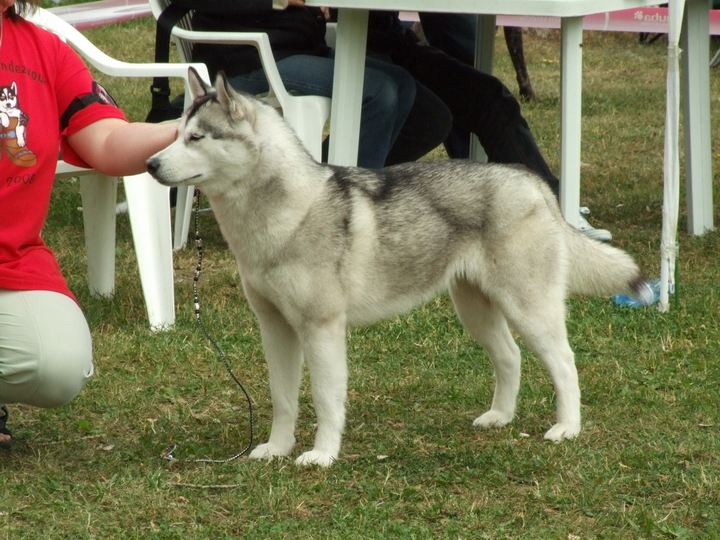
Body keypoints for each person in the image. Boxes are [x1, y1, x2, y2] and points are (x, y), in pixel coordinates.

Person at [0, 0, 180, 447]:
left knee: (57, 365)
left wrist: (188, 133)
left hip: (11, 262)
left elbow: (108, 141)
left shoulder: (46, 51)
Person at [377, 11, 611, 241]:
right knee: (430, 115)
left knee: (489, 97)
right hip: (357, 38)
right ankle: (364, 198)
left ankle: (555, 210)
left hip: (395, 38)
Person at [190, 0, 451, 169]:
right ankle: (347, 203)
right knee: (379, 91)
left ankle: (317, 179)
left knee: (403, 86)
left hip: (297, 44)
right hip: (246, 54)